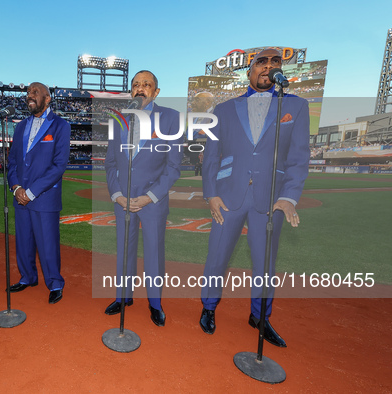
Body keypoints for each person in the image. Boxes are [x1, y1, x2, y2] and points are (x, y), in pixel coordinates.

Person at [199, 48, 310, 347]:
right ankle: (208, 307)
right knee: (217, 257)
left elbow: (299, 157)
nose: (269, 66)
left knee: (265, 264)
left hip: (270, 198)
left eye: (276, 62)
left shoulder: (297, 107)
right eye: (262, 62)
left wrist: (289, 197)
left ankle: (260, 317)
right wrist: (210, 194)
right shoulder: (222, 110)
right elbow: (210, 157)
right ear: (249, 70)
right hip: (228, 196)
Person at [104, 70, 183, 326]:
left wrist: (149, 197)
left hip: (153, 201)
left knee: (154, 253)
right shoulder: (118, 119)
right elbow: (110, 163)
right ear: (131, 91)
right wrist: (117, 195)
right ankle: (123, 296)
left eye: (146, 84)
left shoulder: (171, 118)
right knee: (124, 251)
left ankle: (155, 303)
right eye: (136, 85)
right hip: (123, 201)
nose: (140, 88)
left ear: (156, 92)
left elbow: (173, 167)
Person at [7, 82, 70, 304]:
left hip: (43, 197)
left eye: (35, 92)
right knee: (23, 242)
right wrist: (16, 188)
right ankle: (27, 278)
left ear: (47, 98)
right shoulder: (20, 126)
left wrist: (31, 192)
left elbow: (59, 165)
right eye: (28, 93)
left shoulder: (60, 125)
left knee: (47, 244)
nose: (29, 96)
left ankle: (54, 283)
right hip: (20, 196)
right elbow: (13, 161)